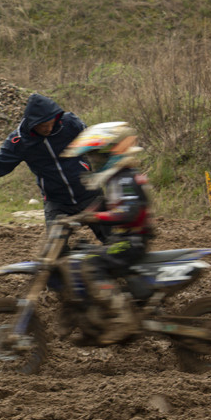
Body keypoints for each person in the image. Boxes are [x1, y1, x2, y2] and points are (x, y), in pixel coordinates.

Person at [0, 93, 108, 243]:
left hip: (90, 195)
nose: (49, 129)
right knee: (54, 252)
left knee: (115, 242)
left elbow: (98, 147)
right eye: (43, 126)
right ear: (32, 123)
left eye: (51, 123)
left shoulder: (70, 123)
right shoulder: (19, 142)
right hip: (57, 203)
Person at [59, 122, 155, 345]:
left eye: (98, 156)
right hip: (123, 239)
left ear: (111, 152)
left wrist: (95, 217)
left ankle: (123, 320)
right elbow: (102, 203)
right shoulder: (117, 177)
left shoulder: (125, 178)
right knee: (79, 255)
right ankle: (93, 321)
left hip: (132, 241)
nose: (95, 162)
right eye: (93, 157)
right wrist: (76, 217)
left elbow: (128, 212)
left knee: (91, 263)